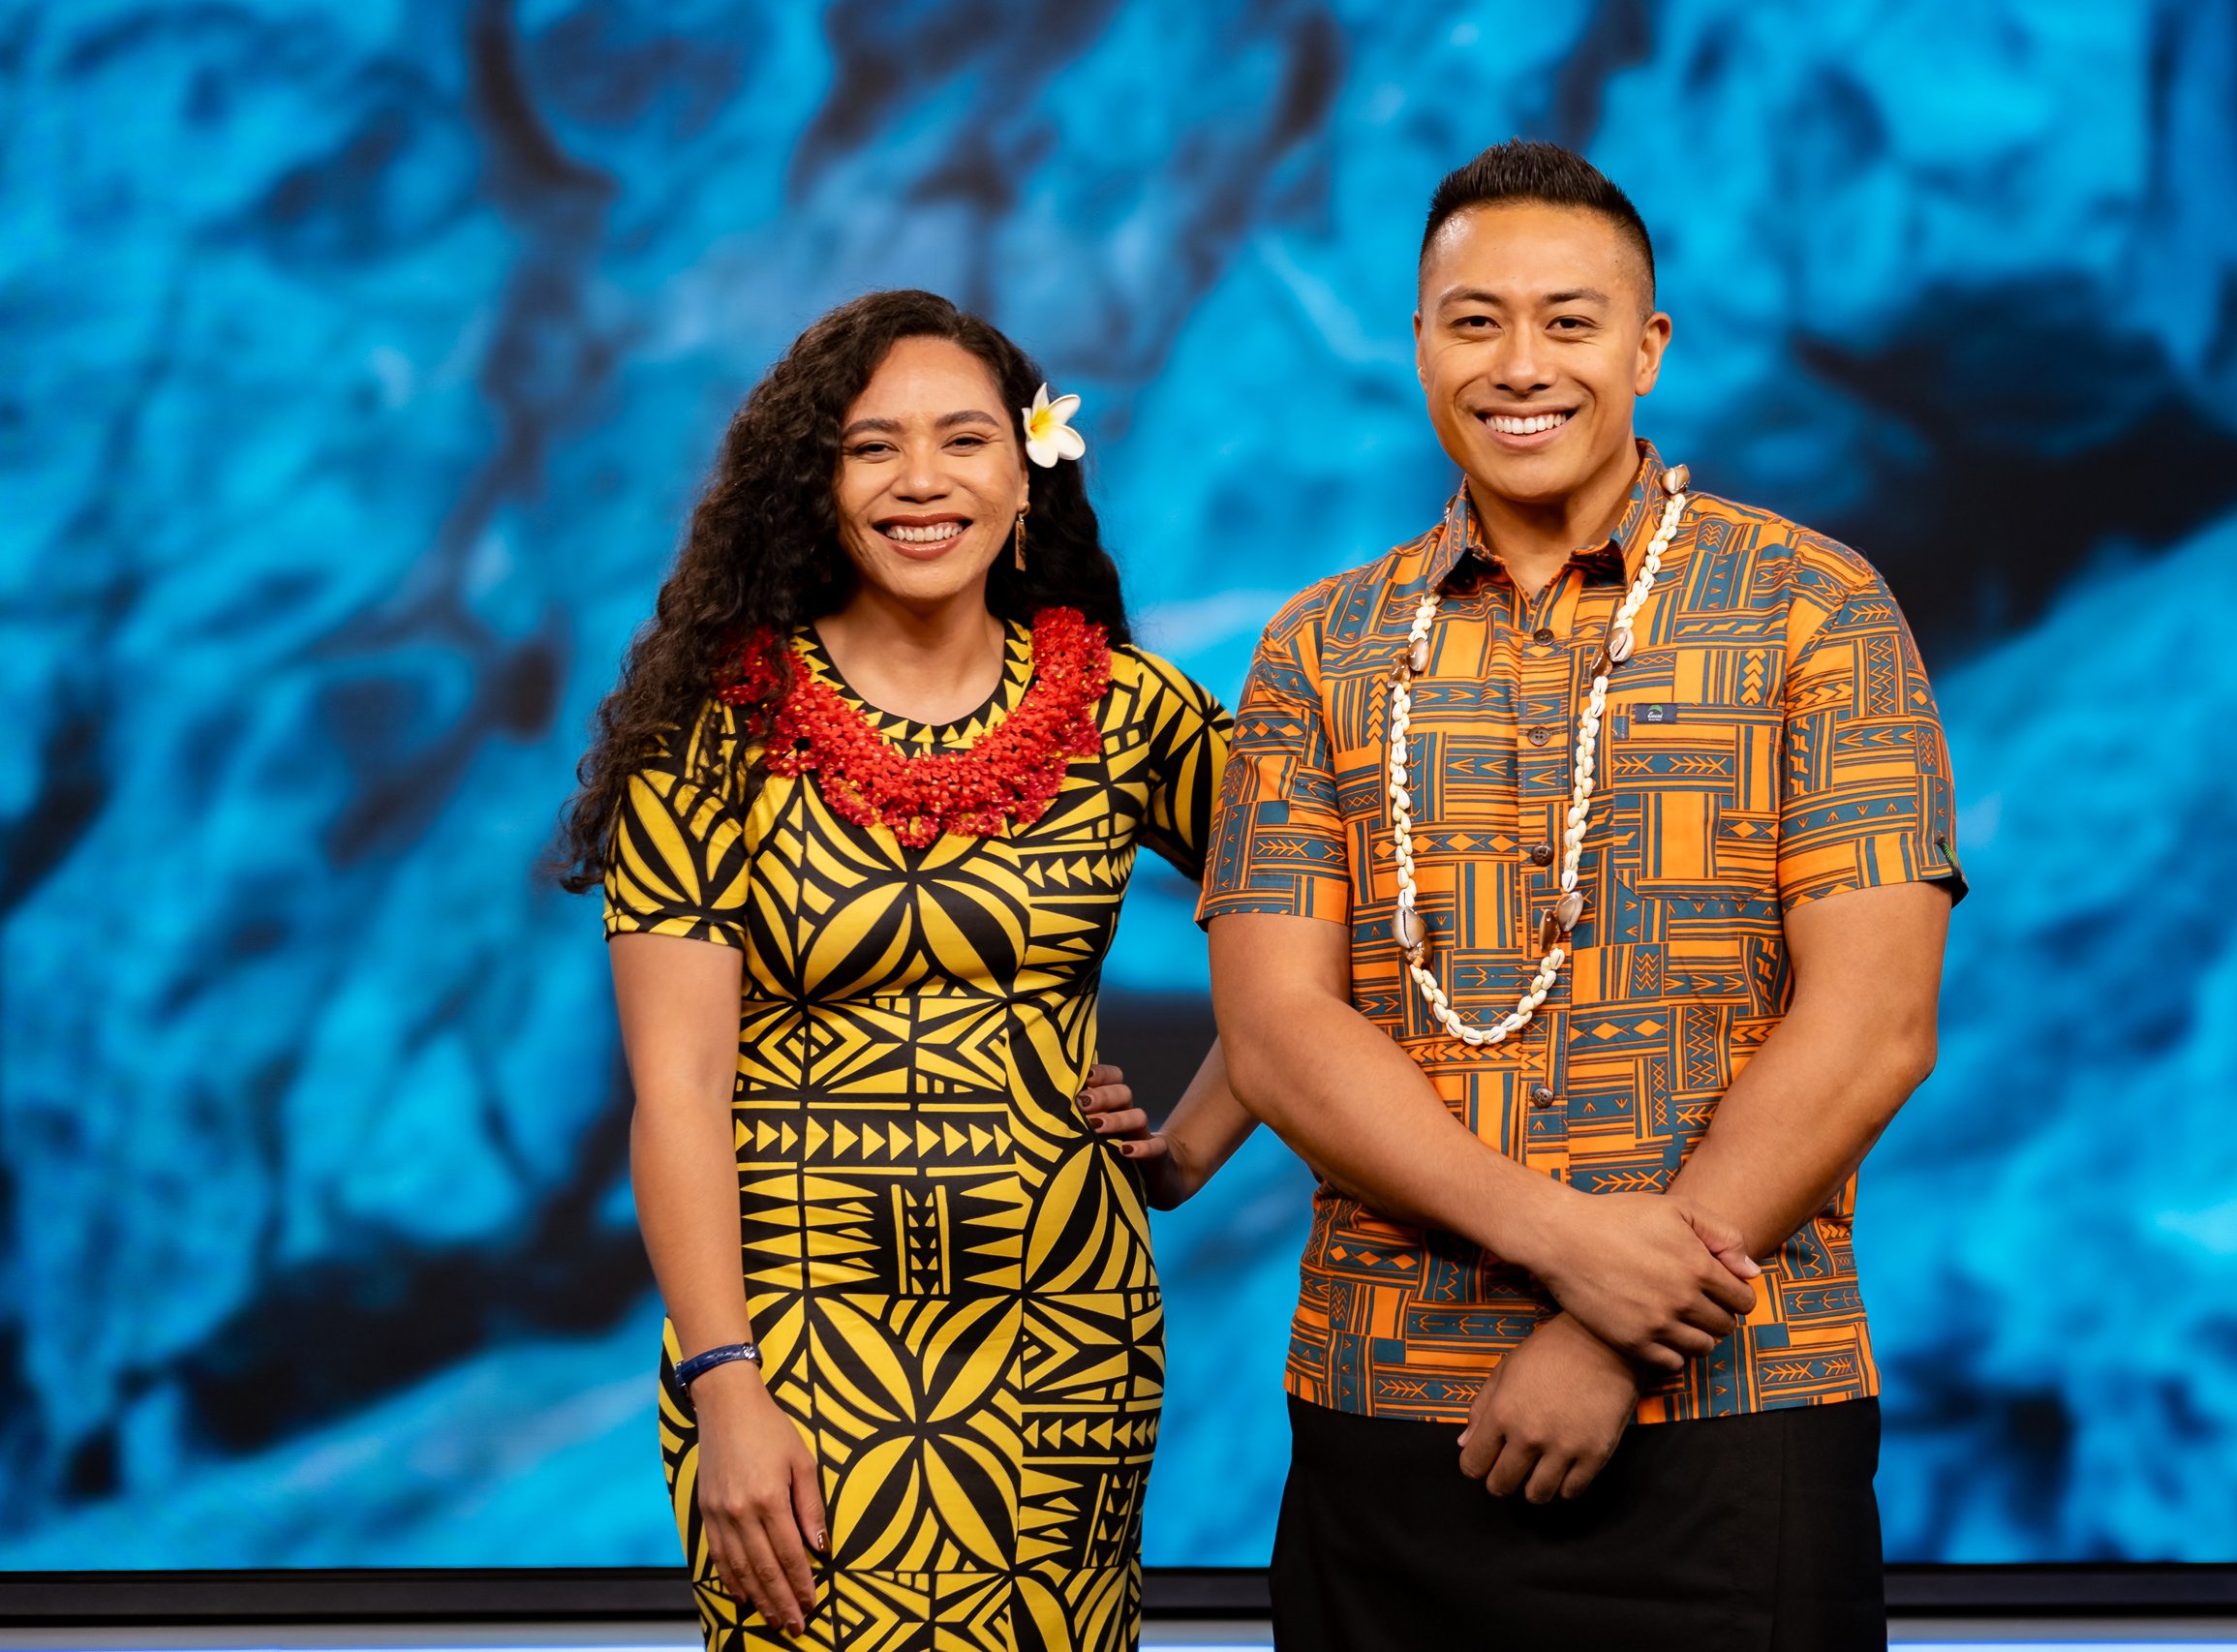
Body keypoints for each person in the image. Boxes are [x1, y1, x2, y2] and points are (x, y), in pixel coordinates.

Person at [1199, 140, 1967, 1650]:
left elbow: (1874, 1024)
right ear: (1420, 342)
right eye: (1475, 321)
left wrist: (1613, 1340)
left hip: (1737, 1405)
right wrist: (1565, 1243)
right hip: (1384, 1407)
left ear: (1646, 346)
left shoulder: (1814, 607)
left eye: (1569, 320)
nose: (1520, 365)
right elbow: (1279, 1033)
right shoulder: (1319, 647)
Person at [555, 290, 1256, 1652]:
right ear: (812, 484)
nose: (921, 481)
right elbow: (680, 1089)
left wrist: (1188, 1146)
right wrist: (724, 1384)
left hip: (1069, 1339)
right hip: (789, 1348)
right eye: (871, 446)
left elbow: (1325, 926)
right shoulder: (716, 733)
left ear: (1027, 470)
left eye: (963, 440)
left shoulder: (1130, 713)